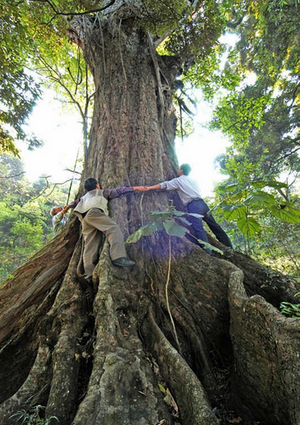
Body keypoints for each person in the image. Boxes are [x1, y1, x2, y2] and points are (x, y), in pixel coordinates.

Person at [68, 178, 146, 280]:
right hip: (94, 213)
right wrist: (136, 188)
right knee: (113, 228)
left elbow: (74, 203)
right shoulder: (102, 192)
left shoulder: (83, 197)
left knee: (90, 244)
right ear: (97, 186)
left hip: (84, 219)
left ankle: (89, 273)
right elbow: (118, 191)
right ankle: (118, 257)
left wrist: (66, 207)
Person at [145, 164, 232, 254]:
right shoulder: (193, 180)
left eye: (179, 169)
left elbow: (165, 185)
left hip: (194, 206)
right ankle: (229, 246)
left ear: (182, 170)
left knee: (199, 228)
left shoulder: (179, 180)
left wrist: (150, 187)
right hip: (203, 204)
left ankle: (208, 252)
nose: (177, 170)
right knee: (214, 225)